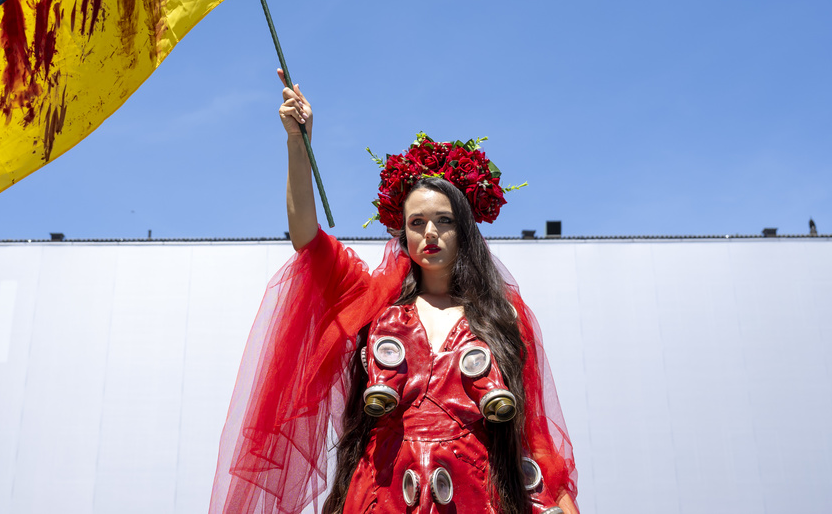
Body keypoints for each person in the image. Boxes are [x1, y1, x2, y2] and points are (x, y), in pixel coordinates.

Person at [207, 74, 578, 514]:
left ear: (466, 230)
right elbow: (307, 237)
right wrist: (298, 143)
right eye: (417, 222)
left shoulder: (502, 315)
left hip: (477, 494)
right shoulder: (374, 300)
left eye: (444, 220)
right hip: (383, 492)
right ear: (402, 230)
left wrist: (559, 503)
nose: (431, 233)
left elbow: (533, 431)